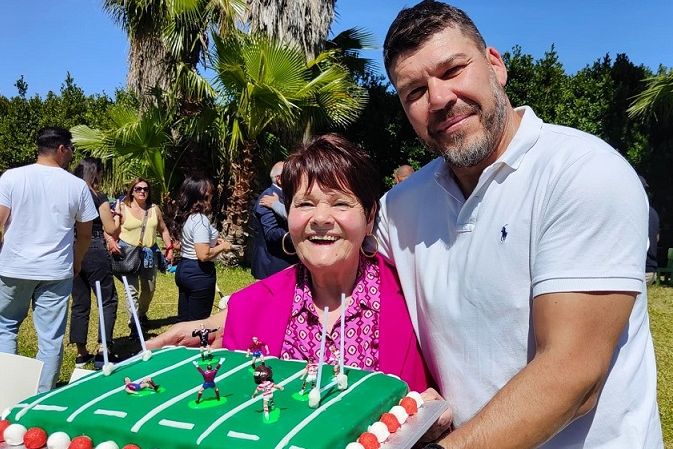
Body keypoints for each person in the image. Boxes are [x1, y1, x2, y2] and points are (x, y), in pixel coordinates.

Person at [352, 1, 673, 449]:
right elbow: (356, 295)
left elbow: (573, 375)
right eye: (415, 91)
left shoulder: (581, 173)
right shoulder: (401, 206)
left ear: (495, 65)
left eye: (453, 70)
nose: (439, 99)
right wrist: (227, 323)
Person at [147, 134, 435, 397]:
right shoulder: (251, 307)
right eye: (306, 204)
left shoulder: (414, 296)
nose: (320, 218)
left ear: (370, 216)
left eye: (341, 204)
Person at [0, 127, 96, 393]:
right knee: (50, 338)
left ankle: (6, 392)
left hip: (14, 267)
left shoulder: (12, 178)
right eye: (70, 148)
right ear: (61, 149)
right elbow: (84, 234)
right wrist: (77, 260)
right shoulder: (77, 186)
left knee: (5, 327)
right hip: (56, 271)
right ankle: (41, 396)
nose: (71, 154)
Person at [69, 158, 121, 368]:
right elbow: (110, 229)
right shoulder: (98, 196)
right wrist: (118, 218)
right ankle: (103, 349)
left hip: (72, 248)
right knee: (107, 299)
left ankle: (81, 352)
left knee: (80, 301)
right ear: (95, 173)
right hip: (95, 247)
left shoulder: (70, 194)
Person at [107, 178, 173, 336]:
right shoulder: (122, 208)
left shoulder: (154, 209)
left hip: (149, 255)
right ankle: (134, 324)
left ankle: (141, 314)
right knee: (131, 291)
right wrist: (111, 241)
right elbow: (110, 229)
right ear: (132, 191)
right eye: (138, 189)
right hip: (127, 254)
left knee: (149, 289)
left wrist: (169, 248)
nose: (142, 191)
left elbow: (163, 230)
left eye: (145, 189)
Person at [170, 176, 232, 321]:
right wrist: (223, 246)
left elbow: (180, 244)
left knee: (184, 319)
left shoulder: (186, 216)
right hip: (199, 272)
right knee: (199, 323)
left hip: (184, 268)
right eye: (210, 193)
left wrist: (213, 240)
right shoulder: (200, 220)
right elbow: (203, 255)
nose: (212, 196)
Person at [249, 161, 298, 279]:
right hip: (274, 265)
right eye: (292, 174)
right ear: (279, 179)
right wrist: (299, 235)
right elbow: (272, 233)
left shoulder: (285, 196)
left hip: (287, 263)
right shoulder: (267, 198)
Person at [641, 176, 660, 286]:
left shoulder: (634, 210)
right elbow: (657, 238)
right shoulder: (653, 212)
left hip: (639, 270)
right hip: (651, 269)